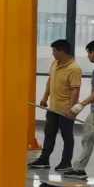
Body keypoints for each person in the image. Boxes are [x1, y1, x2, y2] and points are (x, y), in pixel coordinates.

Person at [30, 38, 82, 172]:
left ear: (62, 51)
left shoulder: (74, 68)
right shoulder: (54, 63)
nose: (52, 53)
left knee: (67, 136)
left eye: (54, 51)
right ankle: (44, 160)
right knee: (49, 134)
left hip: (66, 110)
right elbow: (50, 81)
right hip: (53, 108)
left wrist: (71, 109)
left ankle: (66, 162)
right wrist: (44, 98)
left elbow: (75, 90)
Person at [64, 39, 94, 179]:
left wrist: (81, 104)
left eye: (88, 53)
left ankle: (79, 168)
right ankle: (79, 169)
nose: (88, 56)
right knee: (87, 138)